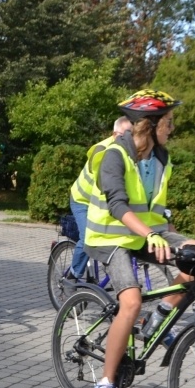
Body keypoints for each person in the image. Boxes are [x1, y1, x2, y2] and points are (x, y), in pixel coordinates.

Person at [84, 89, 195, 388]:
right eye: (168, 122)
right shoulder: (113, 155)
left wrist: (188, 244)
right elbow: (118, 205)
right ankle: (106, 382)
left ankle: (158, 318)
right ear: (150, 125)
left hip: (144, 234)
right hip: (110, 238)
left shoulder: (161, 158)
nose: (172, 129)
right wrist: (151, 236)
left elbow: (158, 211)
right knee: (132, 301)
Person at [66, 116, 133, 291]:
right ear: (114, 134)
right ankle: (72, 275)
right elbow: (106, 185)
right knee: (87, 237)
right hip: (82, 200)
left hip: (101, 202)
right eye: (123, 135)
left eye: (131, 135)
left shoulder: (130, 152)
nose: (128, 139)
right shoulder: (103, 150)